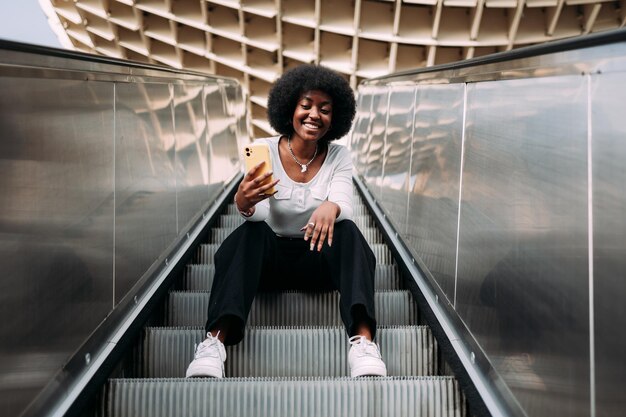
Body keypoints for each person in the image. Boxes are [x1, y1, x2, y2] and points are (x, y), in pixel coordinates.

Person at [185, 64, 387, 379]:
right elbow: (261, 214)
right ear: (289, 108)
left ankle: (363, 343)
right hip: (269, 263)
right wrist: (245, 201)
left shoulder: (338, 156)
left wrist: (331, 207)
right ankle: (214, 343)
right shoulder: (261, 149)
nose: (314, 115)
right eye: (306, 105)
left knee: (347, 231)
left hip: (318, 259)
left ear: (335, 118)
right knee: (249, 234)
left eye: (325, 109)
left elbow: (345, 204)